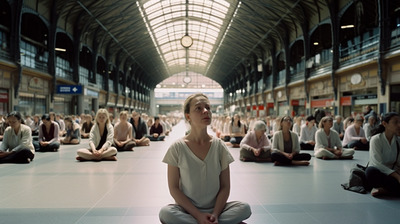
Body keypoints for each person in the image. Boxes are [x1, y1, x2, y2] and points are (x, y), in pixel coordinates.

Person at [159, 93, 251, 224]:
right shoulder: (177, 148)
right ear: (188, 116)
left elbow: (225, 186)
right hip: (188, 211)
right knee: (166, 213)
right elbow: (174, 188)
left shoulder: (219, 146)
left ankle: (210, 221)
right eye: (198, 108)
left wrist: (215, 214)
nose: (206, 111)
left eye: (208, 107)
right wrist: (197, 215)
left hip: (217, 209)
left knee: (244, 208)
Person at [365, 112, 400, 197]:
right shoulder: (376, 139)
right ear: (384, 124)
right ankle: (392, 189)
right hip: (380, 173)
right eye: (395, 122)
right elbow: (377, 164)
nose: (399, 125)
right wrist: (397, 176)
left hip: (393, 174)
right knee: (371, 172)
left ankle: (385, 190)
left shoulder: (398, 140)